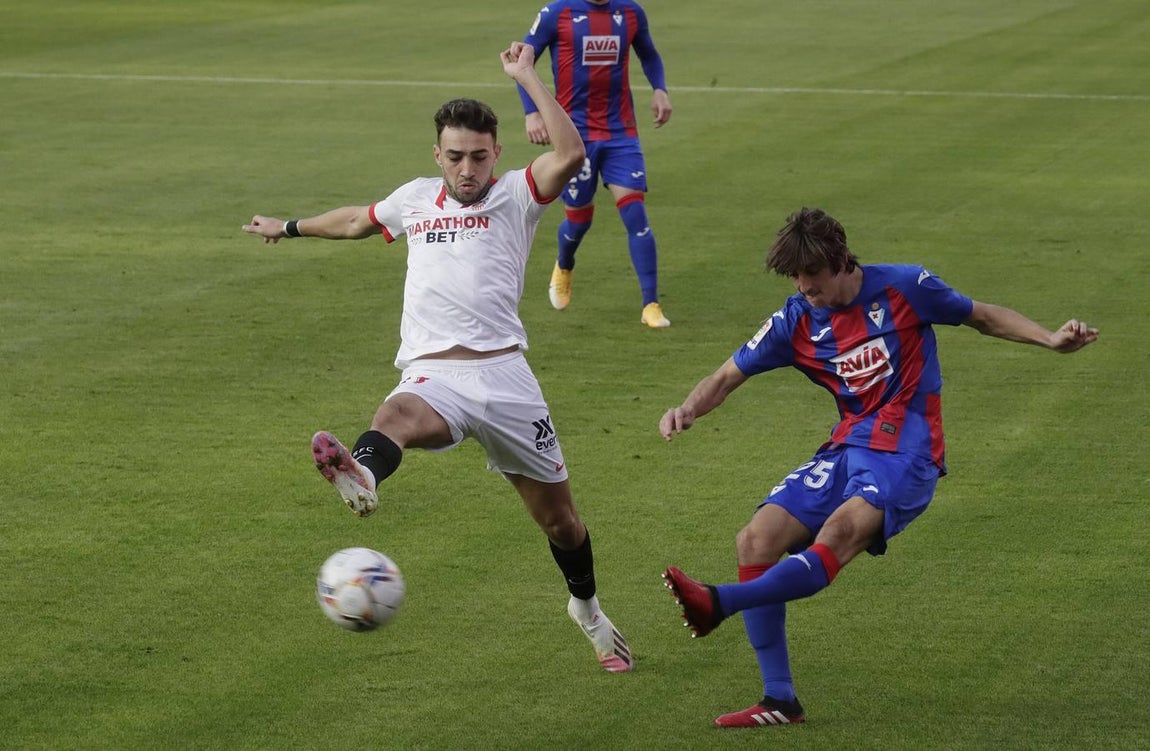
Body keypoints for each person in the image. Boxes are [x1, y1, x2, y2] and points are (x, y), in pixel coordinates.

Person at [242, 43, 633, 673]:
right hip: (434, 374)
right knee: (395, 413)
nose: (468, 169)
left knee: (560, 522)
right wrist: (287, 227)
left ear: (496, 154)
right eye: (455, 157)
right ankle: (362, 477)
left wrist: (527, 76)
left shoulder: (516, 194)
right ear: (438, 156)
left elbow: (570, 155)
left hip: (506, 377)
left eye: (479, 156)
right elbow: (355, 223)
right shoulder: (418, 198)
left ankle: (586, 609)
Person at [658, 207, 1098, 727]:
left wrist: (1050, 338)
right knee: (755, 540)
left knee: (840, 533)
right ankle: (779, 700)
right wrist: (688, 407)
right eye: (797, 279)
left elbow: (982, 315)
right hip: (846, 449)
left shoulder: (907, 287)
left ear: (841, 261)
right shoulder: (796, 320)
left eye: (813, 278)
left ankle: (720, 603)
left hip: (909, 455)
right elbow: (727, 375)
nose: (804, 288)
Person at [517, 0, 674, 328]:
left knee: (635, 214)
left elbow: (649, 53)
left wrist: (660, 90)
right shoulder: (557, 13)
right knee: (578, 221)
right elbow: (523, 58)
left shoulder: (630, 12)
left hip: (621, 133)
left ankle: (651, 304)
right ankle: (564, 263)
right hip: (574, 136)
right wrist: (532, 111)